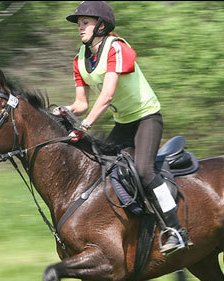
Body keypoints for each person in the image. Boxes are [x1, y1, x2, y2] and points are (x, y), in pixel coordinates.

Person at [57, 1, 192, 256]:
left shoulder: (117, 49)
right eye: (79, 23)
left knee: (143, 171)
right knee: (102, 169)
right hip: (123, 123)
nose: (80, 28)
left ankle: (176, 230)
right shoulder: (80, 59)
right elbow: (81, 104)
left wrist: (84, 127)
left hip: (146, 118)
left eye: (85, 22)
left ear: (102, 26)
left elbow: (106, 97)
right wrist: (61, 111)